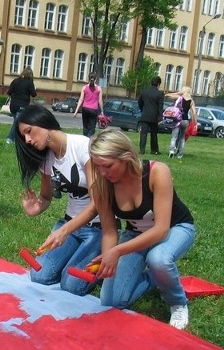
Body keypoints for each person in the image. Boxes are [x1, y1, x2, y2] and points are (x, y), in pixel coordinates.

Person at [88, 129, 195, 330]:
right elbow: (110, 232)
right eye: (98, 166)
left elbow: (162, 229)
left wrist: (117, 251)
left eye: (108, 166)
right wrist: (107, 259)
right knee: (111, 301)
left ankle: (177, 303)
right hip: (136, 234)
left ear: (126, 157)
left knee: (158, 259)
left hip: (176, 227)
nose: (103, 172)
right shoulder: (101, 187)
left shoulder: (157, 172)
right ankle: (155, 277)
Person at [14, 104, 102, 295]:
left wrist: (63, 232)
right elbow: (46, 196)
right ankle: (73, 259)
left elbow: (97, 205)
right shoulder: (47, 159)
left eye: (29, 132)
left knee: (72, 285)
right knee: (39, 275)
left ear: (43, 122)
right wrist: (35, 208)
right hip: (69, 224)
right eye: (24, 136)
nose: (28, 140)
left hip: (97, 228)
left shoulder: (82, 147)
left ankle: (107, 259)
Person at [5, 67, 37, 145]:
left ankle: (19, 140)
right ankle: (10, 139)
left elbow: (9, 92)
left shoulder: (15, 81)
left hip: (13, 106)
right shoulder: (29, 82)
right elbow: (34, 94)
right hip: (22, 106)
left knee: (18, 122)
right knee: (17, 123)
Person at [165, 86, 196, 159]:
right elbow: (194, 112)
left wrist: (177, 93)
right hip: (185, 120)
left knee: (174, 137)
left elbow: (168, 96)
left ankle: (172, 151)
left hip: (177, 119)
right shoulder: (191, 101)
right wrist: (195, 122)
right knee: (182, 138)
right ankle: (180, 154)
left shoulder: (179, 97)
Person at [137, 76, 164, 155]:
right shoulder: (159, 94)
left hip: (145, 116)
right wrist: (160, 118)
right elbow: (160, 107)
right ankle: (154, 150)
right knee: (154, 134)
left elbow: (140, 103)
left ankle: (142, 150)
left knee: (143, 134)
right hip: (154, 117)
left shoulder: (144, 91)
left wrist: (143, 110)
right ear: (158, 84)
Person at [73, 73, 104, 137]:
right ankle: (89, 139)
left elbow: (81, 99)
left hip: (85, 109)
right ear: (95, 80)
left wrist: (76, 111)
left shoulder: (84, 88)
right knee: (92, 127)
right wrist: (102, 111)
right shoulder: (99, 88)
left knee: (85, 126)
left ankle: (84, 139)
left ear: (88, 79)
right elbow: (100, 101)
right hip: (94, 110)